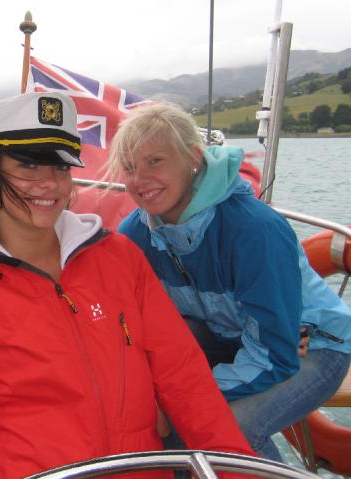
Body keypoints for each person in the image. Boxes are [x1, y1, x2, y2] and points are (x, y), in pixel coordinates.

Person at [0, 91, 256, 479]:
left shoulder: (120, 258)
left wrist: (235, 472)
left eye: (60, 167)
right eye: (28, 165)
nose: (49, 184)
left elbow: (185, 379)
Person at [107, 102, 351, 461]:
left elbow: (276, 355)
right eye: (129, 168)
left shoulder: (252, 230)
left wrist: (183, 398)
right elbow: (129, 323)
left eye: (155, 161)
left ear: (192, 158)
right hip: (233, 338)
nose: (140, 179)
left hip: (311, 347)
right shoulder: (138, 234)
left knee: (228, 429)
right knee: (166, 420)